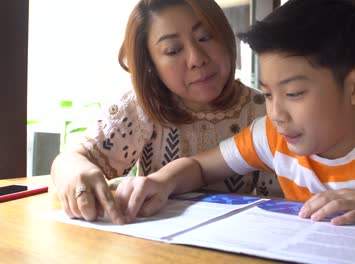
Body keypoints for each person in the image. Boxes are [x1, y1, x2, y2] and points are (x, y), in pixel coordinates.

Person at [115, 0, 355, 225]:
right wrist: (162, 181)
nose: (276, 113)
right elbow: (200, 167)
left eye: (293, 94)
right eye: (269, 94)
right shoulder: (274, 137)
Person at [51, 0, 280, 224]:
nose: (196, 59)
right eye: (172, 50)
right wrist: (75, 172)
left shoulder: (268, 110)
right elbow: (70, 160)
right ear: (151, 64)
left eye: (205, 37)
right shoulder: (141, 106)